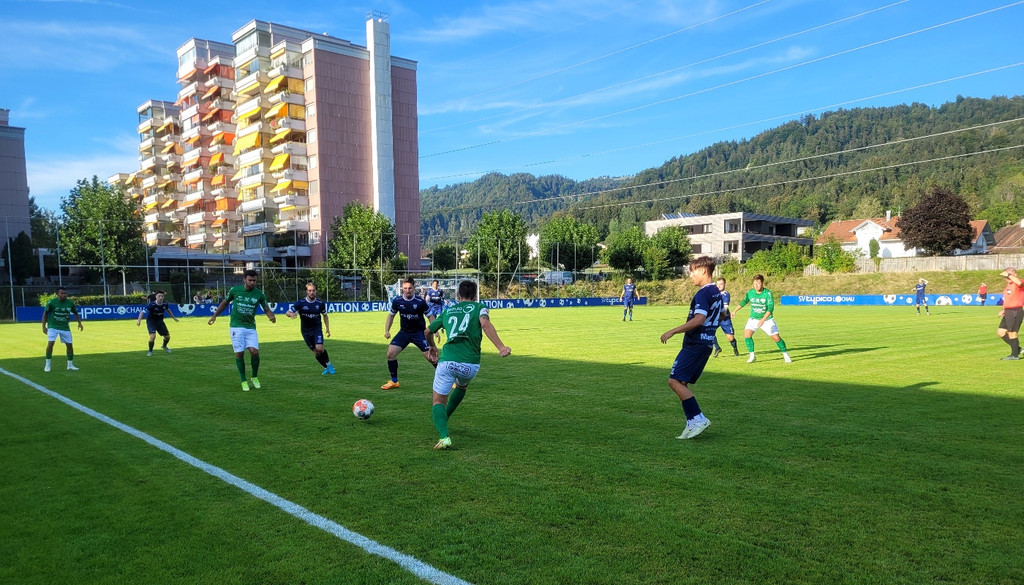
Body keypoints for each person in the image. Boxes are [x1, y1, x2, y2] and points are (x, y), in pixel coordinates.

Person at [426, 279, 511, 449]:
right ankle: (445, 418)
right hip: (470, 365)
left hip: (448, 361)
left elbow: (428, 331)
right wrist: (501, 347)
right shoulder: (480, 308)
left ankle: (444, 436)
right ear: (474, 295)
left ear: (458, 295)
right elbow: (485, 324)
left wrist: (432, 346)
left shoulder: (449, 310)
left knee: (438, 402)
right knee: (461, 386)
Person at [659, 256, 720, 440]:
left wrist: (673, 331)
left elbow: (699, 320)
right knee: (682, 383)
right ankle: (692, 421)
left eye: (693, 271)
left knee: (674, 381)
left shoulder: (703, 293)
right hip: (705, 344)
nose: (690, 275)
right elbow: (723, 315)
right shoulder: (716, 291)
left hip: (695, 344)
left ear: (703, 271)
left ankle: (698, 418)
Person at [208, 269, 276, 391]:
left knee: (254, 352)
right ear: (244, 279)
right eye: (250, 280)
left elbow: (266, 308)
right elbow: (224, 303)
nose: (252, 283)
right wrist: (214, 316)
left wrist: (271, 316)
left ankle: (254, 377)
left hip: (250, 327)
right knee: (239, 354)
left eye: (254, 281)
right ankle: (243, 380)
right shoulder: (235, 290)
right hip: (236, 326)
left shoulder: (259, 294)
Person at [382, 277, 436, 390]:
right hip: (404, 333)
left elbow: (430, 316)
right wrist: (387, 330)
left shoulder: (420, 302)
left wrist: (434, 329)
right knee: (390, 354)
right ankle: (394, 381)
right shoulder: (397, 301)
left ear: (414, 288)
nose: (408, 290)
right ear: (402, 288)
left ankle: (448, 380)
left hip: (419, 333)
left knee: (431, 357)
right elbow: (391, 315)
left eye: (410, 288)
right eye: (405, 288)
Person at [737, 274, 792, 364]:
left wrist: (762, 320)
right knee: (747, 334)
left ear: (762, 283)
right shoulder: (750, 293)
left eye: (758, 283)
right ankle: (752, 356)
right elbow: (744, 301)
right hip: (753, 319)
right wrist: (735, 311)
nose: (756, 285)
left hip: (767, 319)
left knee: (776, 338)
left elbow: (770, 308)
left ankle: (785, 354)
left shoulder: (767, 293)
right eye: (755, 283)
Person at [285, 282, 335, 375]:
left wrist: (327, 328)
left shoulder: (320, 303)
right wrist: (291, 314)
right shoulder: (300, 303)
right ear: (306, 291)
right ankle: (326, 367)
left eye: (313, 290)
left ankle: (329, 364)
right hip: (305, 331)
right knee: (316, 352)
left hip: (317, 329)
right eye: (310, 290)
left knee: (319, 348)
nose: (312, 292)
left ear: (316, 291)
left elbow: (325, 316)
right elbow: (287, 312)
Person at [42, 286, 84, 372]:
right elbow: (45, 313)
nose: (64, 295)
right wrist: (43, 326)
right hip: (53, 326)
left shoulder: (70, 303)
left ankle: (70, 365)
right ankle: (47, 365)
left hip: (65, 327)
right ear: (57, 294)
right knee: (50, 344)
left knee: (69, 345)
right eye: (62, 293)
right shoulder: (52, 302)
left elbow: (75, 313)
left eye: (65, 293)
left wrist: (79, 323)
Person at [136, 290, 180, 356]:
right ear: (156, 297)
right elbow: (142, 312)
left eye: (162, 296)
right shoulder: (152, 305)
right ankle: (150, 351)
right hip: (151, 322)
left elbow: (168, 310)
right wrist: (139, 321)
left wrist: (174, 318)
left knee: (167, 337)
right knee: (152, 336)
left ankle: (164, 346)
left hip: (160, 322)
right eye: (159, 296)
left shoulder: (165, 304)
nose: (161, 298)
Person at [996, 267, 1023, 360]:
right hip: (1008, 312)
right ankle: (1018, 349)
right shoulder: (1008, 285)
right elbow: (1008, 299)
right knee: (1000, 332)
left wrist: (1008, 274)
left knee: (1012, 333)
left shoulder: (1019, 282)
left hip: (1015, 311)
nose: (1007, 277)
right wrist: (1003, 310)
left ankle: (1015, 355)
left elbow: (1019, 283)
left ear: (1015, 274)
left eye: (1010, 275)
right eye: (1006, 276)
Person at [711, 277, 740, 357]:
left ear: (724, 284)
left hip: (724, 318)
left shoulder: (725, 295)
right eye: (718, 284)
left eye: (721, 284)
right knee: (709, 332)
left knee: (730, 338)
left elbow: (725, 309)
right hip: (715, 318)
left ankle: (735, 348)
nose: (719, 286)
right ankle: (717, 348)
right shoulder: (713, 294)